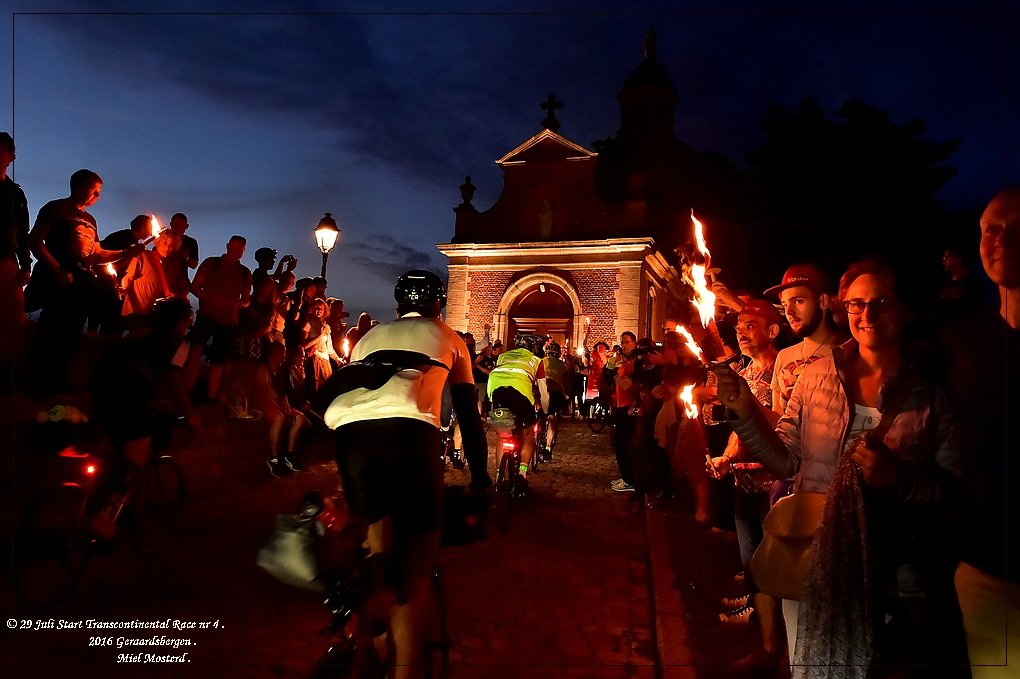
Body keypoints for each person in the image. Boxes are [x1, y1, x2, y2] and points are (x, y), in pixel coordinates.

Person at [716, 257, 965, 677]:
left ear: (904, 309)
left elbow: (952, 486)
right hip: (812, 563)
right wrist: (743, 410)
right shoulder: (815, 376)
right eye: (857, 304)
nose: (867, 315)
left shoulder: (932, 390)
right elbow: (786, 459)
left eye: (882, 302)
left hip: (892, 576)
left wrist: (899, 480)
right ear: (843, 308)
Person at [322, 269, 489, 679]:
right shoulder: (450, 337)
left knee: (377, 546)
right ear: (438, 305)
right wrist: (481, 478)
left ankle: (362, 623)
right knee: (415, 568)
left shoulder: (367, 338)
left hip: (350, 436)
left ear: (398, 306)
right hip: (409, 434)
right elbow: (468, 415)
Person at [943, 186, 1018, 679]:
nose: (1001, 240)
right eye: (990, 228)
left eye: (1016, 229)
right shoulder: (962, 341)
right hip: (985, 568)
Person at [88, 296, 195, 539]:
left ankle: (97, 496)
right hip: (127, 389)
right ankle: (102, 518)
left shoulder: (141, 330)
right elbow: (174, 381)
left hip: (101, 381)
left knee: (117, 446)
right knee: (137, 456)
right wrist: (188, 412)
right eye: (186, 322)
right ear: (180, 322)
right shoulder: (175, 342)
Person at [706, 299, 781, 632]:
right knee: (750, 556)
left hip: (771, 482)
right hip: (742, 479)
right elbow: (737, 425)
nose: (741, 334)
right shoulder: (744, 370)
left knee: (772, 560)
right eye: (738, 329)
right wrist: (726, 457)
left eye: (750, 326)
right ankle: (754, 604)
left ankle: (771, 629)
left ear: (773, 331)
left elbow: (783, 426)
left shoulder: (785, 369)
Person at [184, 235, 252, 401]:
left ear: (243, 251)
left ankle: (210, 397)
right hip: (207, 315)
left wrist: (236, 303)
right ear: (227, 246)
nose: (236, 252)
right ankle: (186, 392)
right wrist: (212, 299)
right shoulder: (211, 263)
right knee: (196, 353)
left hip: (228, 321)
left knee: (218, 361)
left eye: (239, 249)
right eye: (234, 248)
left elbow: (246, 300)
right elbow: (194, 287)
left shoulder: (244, 273)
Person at [486, 331, 550, 495]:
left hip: (496, 391)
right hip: (520, 394)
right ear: (533, 348)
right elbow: (543, 392)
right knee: (528, 433)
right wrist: (545, 408)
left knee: (503, 436)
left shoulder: (502, 356)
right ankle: (522, 473)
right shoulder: (536, 360)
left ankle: (499, 476)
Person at [254, 341, 310, 477]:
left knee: (299, 417)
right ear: (275, 353)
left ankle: (290, 455)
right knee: (279, 417)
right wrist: (281, 408)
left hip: (278, 404)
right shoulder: (264, 368)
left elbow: (283, 392)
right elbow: (263, 392)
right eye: (282, 352)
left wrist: (287, 407)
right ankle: (273, 458)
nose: (284, 355)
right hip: (264, 403)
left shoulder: (280, 370)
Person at [0, 132, 30, 337]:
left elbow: (23, 232)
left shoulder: (15, 193)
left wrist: (26, 265)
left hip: (6, 262)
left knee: (13, 323)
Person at [609, 331, 640, 492]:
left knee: (624, 444)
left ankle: (630, 479)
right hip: (621, 405)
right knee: (619, 443)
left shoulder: (636, 362)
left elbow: (637, 385)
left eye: (627, 342)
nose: (624, 345)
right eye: (622, 342)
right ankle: (625, 476)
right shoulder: (623, 361)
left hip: (629, 407)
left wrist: (630, 387)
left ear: (634, 343)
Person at [539, 340, 571, 458]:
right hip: (555, 391)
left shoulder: (540, 362)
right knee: (553, 418)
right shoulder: (563, 366)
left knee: (535, 415)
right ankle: (547, 447)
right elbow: (566, 384)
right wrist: (567, 396)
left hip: (540, 390)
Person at [167, 212, 199, 286]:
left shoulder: (191, 242)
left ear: (186, 226)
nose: (177, 228)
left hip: (181, 282)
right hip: (163, 280)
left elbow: (194, 265)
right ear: (171, 225)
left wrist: (184, 257)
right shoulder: (163, 240)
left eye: (180, 226)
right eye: (175, 225)